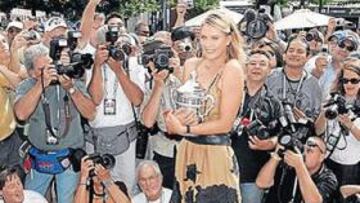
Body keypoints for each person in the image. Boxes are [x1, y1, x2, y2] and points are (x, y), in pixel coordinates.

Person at [164, 11, 246, 202]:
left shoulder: (232, 69)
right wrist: (175, 118)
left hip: (215, 155)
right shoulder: (191, 65)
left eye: (215, 38)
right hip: (187, 151)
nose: (208, 44)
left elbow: (225, 124)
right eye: (204, 38)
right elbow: (186, 110)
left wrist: (185, 128)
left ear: (228, 39)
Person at [14, 44, 96, 203]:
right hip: (40, 158)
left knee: (67, 200)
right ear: (31, 72)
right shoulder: (27, 86)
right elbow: (21, 114)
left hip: (69, 157)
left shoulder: (68, 79)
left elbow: (91, 113)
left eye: (49, 67)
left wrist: (71, 89)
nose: (49, 72)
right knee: (31, 199)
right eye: (41, 69)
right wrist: (40, 84)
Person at [86, 20, 145, 195]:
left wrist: (119, 71)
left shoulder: (131, 63)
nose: (112, 50)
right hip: (96, 135)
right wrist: (97, 65)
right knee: (96, 186)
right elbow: (95, 99)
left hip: (125, 134)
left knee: (125, 186)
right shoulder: (93, 63)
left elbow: (137, 99)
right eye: (106, 46)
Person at [231, 50, 282, 203]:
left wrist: (268, 144)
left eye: (262, 64)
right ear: (245, 67)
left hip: (253, 174)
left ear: (270, 70)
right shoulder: (230, 92)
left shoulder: (274, 103)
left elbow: (282, 137)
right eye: (252, 63)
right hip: (224, 167)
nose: (257, 67)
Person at [315, 54, 360, 200]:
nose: (349, 84)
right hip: (328, 160)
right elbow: (318, 130)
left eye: (354, 80)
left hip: (350, 167)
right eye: (345, 80)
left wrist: (350, 126)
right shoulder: (333, 98)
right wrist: (324, 113)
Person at [140, 40, 182, 189]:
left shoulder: (181, 80)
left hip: (188, 148)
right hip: (163, 150)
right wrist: (158, 84)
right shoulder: (149, 86)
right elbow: (147, 122)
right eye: (158, 58)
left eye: (165, 57)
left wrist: (179, 72)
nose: (162, 61)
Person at [266, 37, 322, 144]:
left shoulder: (314, 84)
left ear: (308, 57)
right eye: (291, 50)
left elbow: (316, 118)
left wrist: (306, 120)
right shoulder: (269, 77)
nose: (294, 54)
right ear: (284, 55)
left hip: (300, 140)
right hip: (270, 137)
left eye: (300, 51)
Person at [256, 136, 338, 203]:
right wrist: (276, 156)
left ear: (321, 157)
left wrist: (300, 166)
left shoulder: (328, 178)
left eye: (309, 150)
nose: (304, 154)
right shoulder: (290, 163)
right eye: (303, 149)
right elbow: (261, 183)